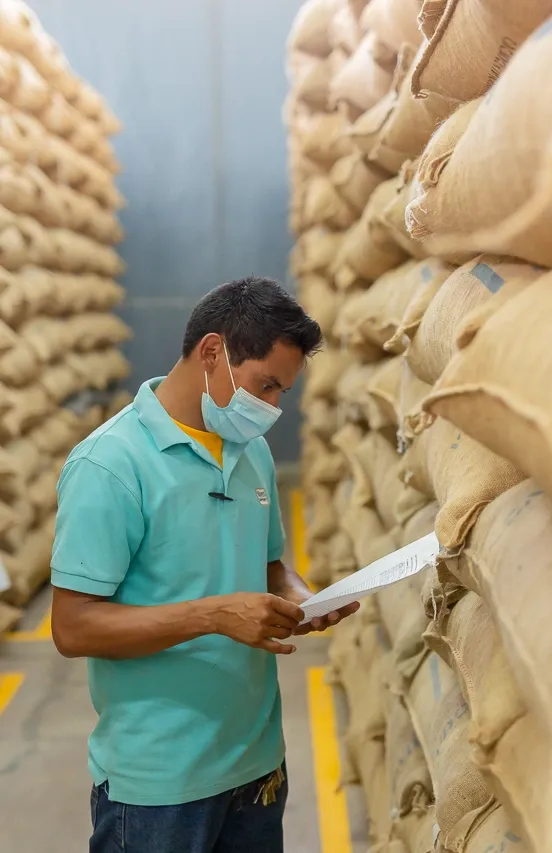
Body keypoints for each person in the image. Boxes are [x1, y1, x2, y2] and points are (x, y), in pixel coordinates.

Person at [50, 276, 359, 853]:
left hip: (257, 762)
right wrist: (215, 616)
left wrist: (303, 596)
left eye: (282, 394)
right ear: (212, 352)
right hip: (160, 784)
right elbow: (72, 628)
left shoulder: (252, 452)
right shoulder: (111, 465)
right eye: (265, 386)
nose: (271, 409)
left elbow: (269, 564)